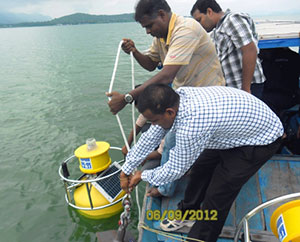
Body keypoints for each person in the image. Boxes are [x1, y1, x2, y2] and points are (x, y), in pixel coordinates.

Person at [120, 84, 283, 242]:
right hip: (231, 130)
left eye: (154, 120)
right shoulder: (175, 99)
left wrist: (142, 175)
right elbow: (150, 137)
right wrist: (126, 169)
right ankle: (187, 214)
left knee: (218, 194)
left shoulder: (192, 125)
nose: (153, 125)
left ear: (169, 112)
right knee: (200, 169)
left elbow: (175, 170)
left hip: (260, 140)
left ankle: (201, 239)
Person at [106, 0, 225, 115]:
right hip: (187, 99)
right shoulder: (161, 37)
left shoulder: (186, 29)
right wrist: (135, 51)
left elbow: (167, 76)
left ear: (162, 15)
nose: (147, 32)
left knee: (172, 135)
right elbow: (151, 65)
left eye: (149, 26)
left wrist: (127, 97)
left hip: (209, 100)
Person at [190, 0, 265, 98]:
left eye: (199, 20)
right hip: (234, 88)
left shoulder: (232, 20)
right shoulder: (216, 31)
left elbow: (250, 50)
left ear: (209, 11)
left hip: (247, 86)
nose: (199, 25)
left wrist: (246, 89)